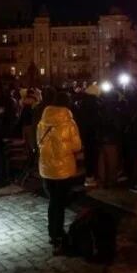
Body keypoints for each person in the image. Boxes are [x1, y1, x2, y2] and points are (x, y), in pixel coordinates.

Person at [37, 92, 82, 255]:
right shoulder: (69, 123)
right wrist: (64, 148)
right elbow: (77, 146)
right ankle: (58, 234)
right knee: (60, 203)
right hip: (63, 169)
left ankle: (52, 232)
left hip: (46, 168)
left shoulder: (43, 122)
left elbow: (38, 142)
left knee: (53, 201)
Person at [74, 84, 102, 187]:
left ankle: (89, 176)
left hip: (85, 134)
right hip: (94, 134)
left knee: (88, 156)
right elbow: (98, 120)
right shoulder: (96, 104)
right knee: (94, 156)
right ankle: (92, 176)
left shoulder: (82, 104)